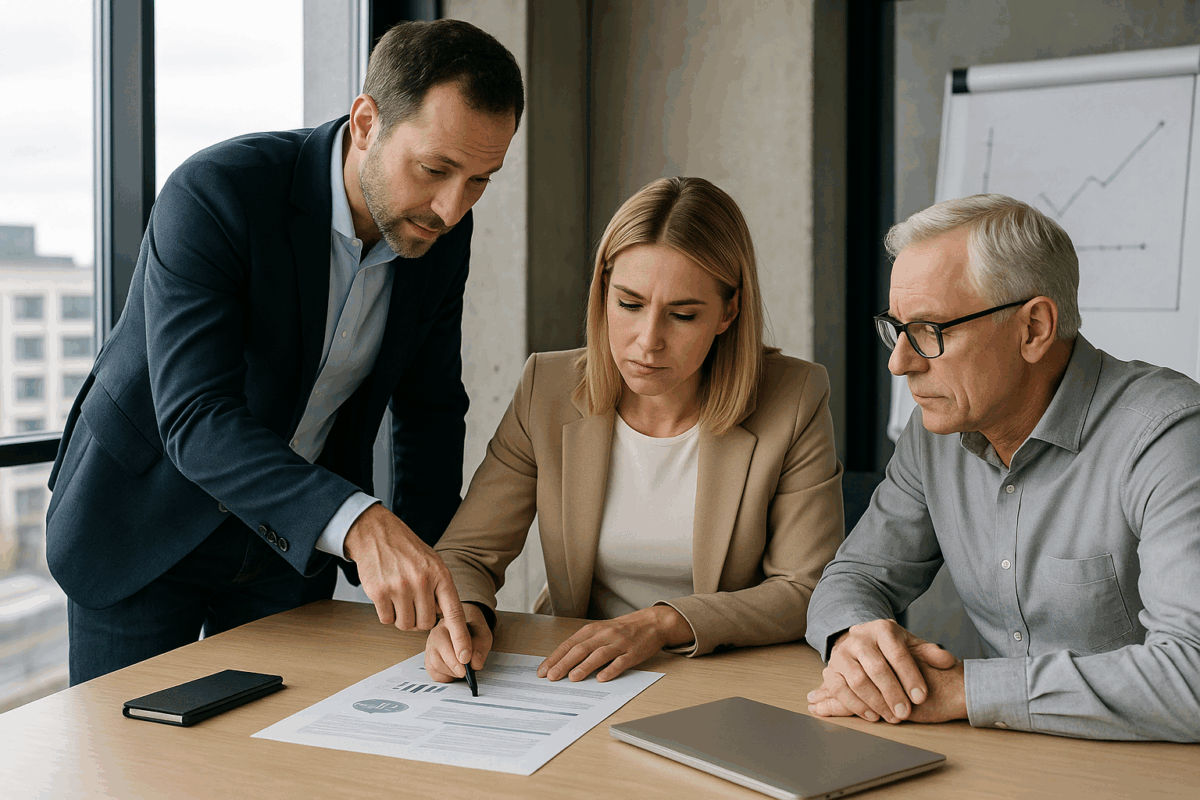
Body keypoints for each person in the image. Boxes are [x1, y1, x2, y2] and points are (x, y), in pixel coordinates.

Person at [46, 19, 523, 684]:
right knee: (135, 775)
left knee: (269, 766)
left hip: (286, 548)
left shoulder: (439, 231)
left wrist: (436, 577)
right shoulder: (218, 193)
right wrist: (359, 522)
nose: (451, 208)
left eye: (480, 180)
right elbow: (196, 417)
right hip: (142, 523)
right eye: (435, 169)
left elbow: (431, 410)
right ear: (365, 123)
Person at [805, 194, 1200, 742]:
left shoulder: (1168, 435)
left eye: (930, 331)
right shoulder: (933, 434)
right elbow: (856, 575)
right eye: (896, 328)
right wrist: (857, 641)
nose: (900, 362)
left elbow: (1194, 674)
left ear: (1034, 328)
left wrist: (966, 690)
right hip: (1007, 757)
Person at [423, 177, 844, 684]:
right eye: (628, 304)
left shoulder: (794, 396)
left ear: (728, 312)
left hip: (727, 672)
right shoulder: (547, 389)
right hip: (581, 673)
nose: (648, 342)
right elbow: (469, 552)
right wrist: (466, 614)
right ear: (602, 293)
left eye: (682, 315)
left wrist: (662, 623)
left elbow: (804, 588)